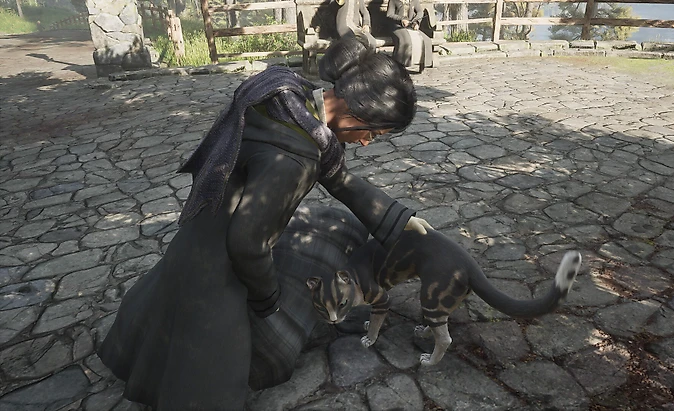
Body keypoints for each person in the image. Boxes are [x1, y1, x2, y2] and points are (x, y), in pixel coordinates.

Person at [97, 32, 431, 410]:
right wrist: (268, 300)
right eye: (372, 131)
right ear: (355, 108)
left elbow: (338, 178)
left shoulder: (288, 98)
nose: (368, 141)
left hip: (198, 236)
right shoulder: (296, 157)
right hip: (220, 267)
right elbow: (246, 244)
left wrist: (397, 218)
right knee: (210, 375)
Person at [386, 0, 433, 72]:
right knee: (406, 41)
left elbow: (420, 12)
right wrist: (401, 20)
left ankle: (423, 63)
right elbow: (389, 14)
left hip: (410, 26)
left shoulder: (414, 1)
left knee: (426, 40)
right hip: (397, 27)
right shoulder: (393, 0)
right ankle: (400, 65)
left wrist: (416, 22)